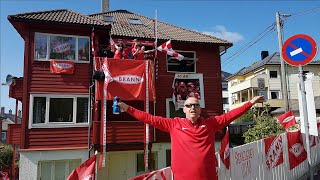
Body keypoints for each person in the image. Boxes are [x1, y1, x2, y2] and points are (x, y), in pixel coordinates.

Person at [117, 96, 264, 180]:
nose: (193, 107)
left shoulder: (210, 124)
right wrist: (127, 108)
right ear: (184, 109)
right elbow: (150, 118)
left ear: (200, 109)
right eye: (189, 105)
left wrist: (250, 103)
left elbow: (230, 116)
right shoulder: (174, 124)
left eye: (196, 105)